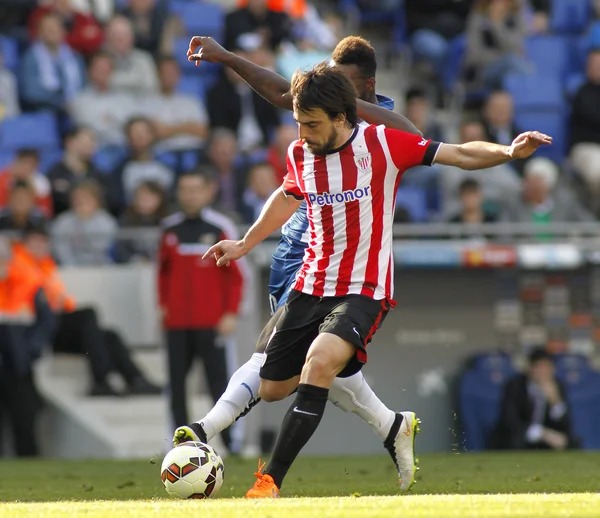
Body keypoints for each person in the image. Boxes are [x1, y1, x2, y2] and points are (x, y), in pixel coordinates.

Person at [182, 39, 550, 497]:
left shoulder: (381, 144)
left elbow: (458, 153)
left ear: (341, 118)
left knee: (320, 362)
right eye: (298, 123)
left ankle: (269, 481)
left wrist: (508, 153)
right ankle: (392, 426)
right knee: (274, 387)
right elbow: (286, 196)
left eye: (311, 125)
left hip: (364, 287)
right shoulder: (302, 153)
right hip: (311, 283)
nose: (303, 134)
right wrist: (245, 242)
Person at [175, 35, 427, 492]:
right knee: (319, 364)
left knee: (297, 358)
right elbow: (279, 93)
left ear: (366, 87)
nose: (329, 87)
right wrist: (227, 56)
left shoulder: (376, 124)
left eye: (343, 84)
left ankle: (208, 429)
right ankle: (392, 427)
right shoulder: (313, 116)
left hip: (342, 259)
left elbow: (416, 138)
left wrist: (344, 108)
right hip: (297, 249)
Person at [13, 225, 162, 396]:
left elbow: (61, 299)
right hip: (38, 329)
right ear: (24, 244)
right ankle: (100, 379)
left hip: (54, 323)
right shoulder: (18, 266)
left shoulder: (45, 266)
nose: (40, 246)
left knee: (109, 335)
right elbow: (24, 303)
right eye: (35, 242)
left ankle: (136, 380)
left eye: (43, 242)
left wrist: (60, 305)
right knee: (88, 315)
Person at [158, 168, 246, 452]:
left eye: (196, 189)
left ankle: (232, 443)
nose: (190, 195)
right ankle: (180, 445)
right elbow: (162, 274)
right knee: (176, 387)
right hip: (177, 324)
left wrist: (231, 312)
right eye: (185, 189)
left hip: (212, 323)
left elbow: (237, 275)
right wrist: (163, 308)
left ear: (208, 191)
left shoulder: (221, 228)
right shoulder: (169, 229)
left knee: (221, 386)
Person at [0, 236, 53, 457]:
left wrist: (33, 349)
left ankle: (29, 460)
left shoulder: (27, 282)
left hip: (18, 363)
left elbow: (47, 321)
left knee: (25, 419)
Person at [493, 348, 579, 450]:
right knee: (515, 440)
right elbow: (510, 421)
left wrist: (555, 402)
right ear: (530, 367)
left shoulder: (558, 386)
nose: (543, 372)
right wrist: (543, 434)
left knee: (573, 441)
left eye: (547, 367)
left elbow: (566, 425)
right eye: (539, 367)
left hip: (548, 438)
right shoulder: (515, 386)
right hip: (523, 436)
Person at [19, 11, 85, 114]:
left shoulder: (75, 57)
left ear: (63, 31)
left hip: (75, 108)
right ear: (39, 33)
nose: (51, 31)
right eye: (47, 28)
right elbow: (30, 92)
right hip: (44, 109)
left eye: (55, 27)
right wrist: (59, 101)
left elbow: (83, 88)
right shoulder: (31, 57)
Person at [47, 127, 113, 217]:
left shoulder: (99, 175)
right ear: (70, 142)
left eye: (93, 141)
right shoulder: (54, 174)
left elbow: (109, 202)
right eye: (86, 141)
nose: (92, 145)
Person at [51, 179, 118, 266]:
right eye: (77, 198)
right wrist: (73, 269)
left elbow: (103, 249)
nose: (81, 202)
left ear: (96, 200)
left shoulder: (107, 222)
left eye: (86, 198)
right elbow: (60, 249)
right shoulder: (62, 222)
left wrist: (85, 221)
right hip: (69, 271)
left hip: (101, 270)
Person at [0, 149, 52, 217]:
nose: (27, 167)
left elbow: (46, 210)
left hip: (32, 217)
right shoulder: (5, 177)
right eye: (24, 162)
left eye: (31, 164)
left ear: (37, 165)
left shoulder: (41, 182)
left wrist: (30, 185)